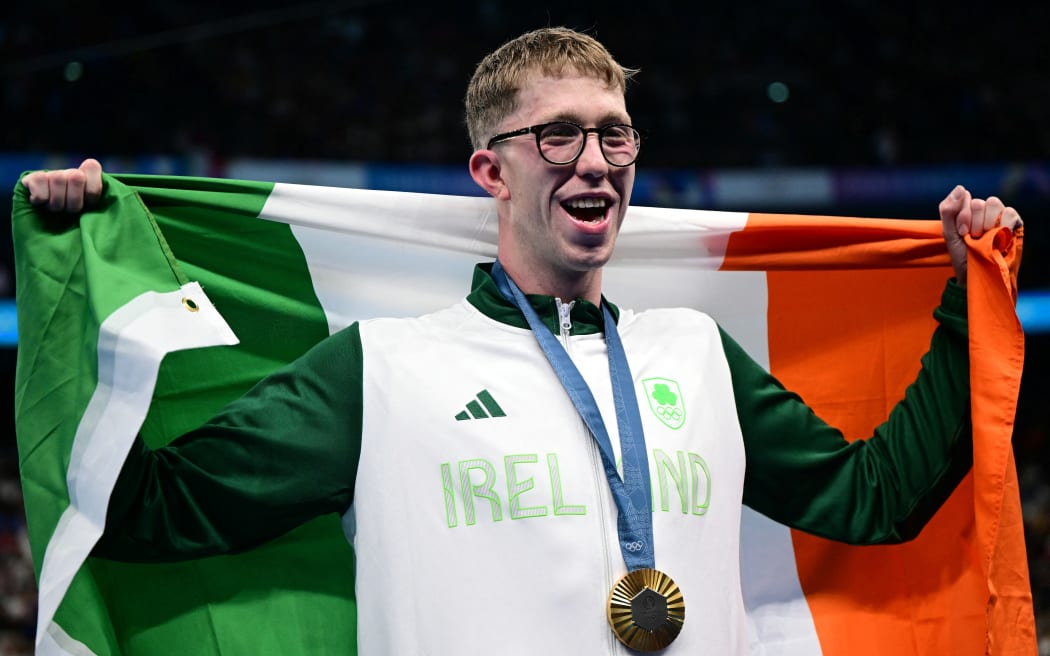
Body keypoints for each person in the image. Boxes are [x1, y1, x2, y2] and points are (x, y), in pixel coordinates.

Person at [21, 27, 1022, 655]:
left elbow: (876, 498)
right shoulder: (380, 368)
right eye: (559, 135)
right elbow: (144, 511)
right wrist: (74, 273)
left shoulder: (697, 354)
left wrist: (964, 298)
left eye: (614, 133)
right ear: (490, 171)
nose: (595, 159)